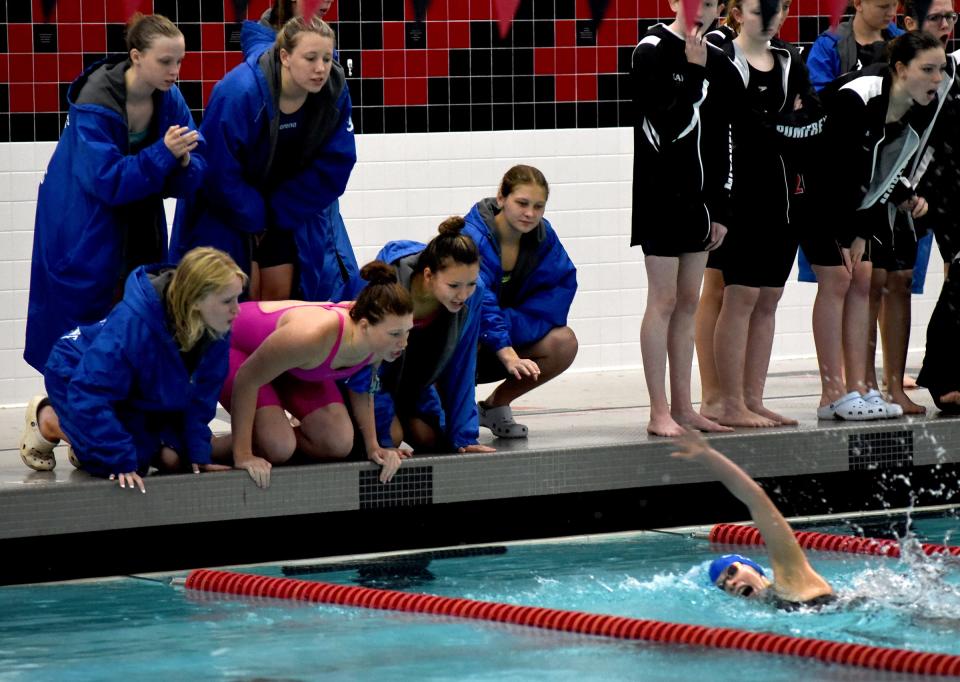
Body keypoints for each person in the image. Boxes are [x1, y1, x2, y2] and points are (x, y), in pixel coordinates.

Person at [24, 13, 205, 373]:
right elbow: (108, 182)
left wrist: (183, 164)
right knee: (84, 328)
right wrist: (164, 154)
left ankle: (121, 414)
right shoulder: (95, 104)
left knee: (139, 316)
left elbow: (195, 169)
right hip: (84, 224)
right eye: (165, 61)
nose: (175, 71)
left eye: (179, 61)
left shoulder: (170, 101)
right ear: (136, 56)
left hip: (139, 219)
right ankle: (53, 413)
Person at [18, 248, 245, 493]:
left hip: (130, 386)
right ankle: (50, 419)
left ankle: (87, 440)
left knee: (175, 460)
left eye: (237, 298)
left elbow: (201, 398)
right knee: (129, 462)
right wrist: (118, 458)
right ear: (197, 300)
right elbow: (89, 391)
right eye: (227, 300)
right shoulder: (134, 325)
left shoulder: (216, 324)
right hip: (74, 371)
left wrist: (199, 455)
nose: (237, 309)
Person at [805, 31, 946, 421]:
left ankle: (857, 389)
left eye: (942, 70)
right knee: (837, 279)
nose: (938, 79)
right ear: (901, 69)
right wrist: (856, 230)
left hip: (848, 194)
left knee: (863, 280)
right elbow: (839, 169)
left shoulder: (913, 106)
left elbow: (883, 167)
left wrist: (903, 193)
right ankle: (831, 394)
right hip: (811, 186)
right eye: (928, 70)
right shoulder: (860, 96)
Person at [170, 15, 358, 304]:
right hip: (225, 209)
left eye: (326, 58)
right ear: (285, 56)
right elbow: (218, 171)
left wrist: (278, 213)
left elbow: (336, 165)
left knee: (286, 303)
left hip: (288, 210)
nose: (321, 69)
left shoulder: (333, 90)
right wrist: (257, 216)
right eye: (310, 58)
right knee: (230, 301)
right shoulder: (240, 91)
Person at [707, 0, 822, 428]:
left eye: (779, 8)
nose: (772, 16)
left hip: (784, 196)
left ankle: (752, 398)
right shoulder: (724, 61)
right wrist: (781, 121)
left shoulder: (790, 60)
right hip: (739, 197)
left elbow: (812, 118)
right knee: (740, 296)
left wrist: (782, 122)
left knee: (769, 298)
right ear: (736, 13)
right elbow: (732, 126)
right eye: (760, 9)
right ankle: (728, 400)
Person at [630, 0, 733, 437]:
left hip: (700, 202)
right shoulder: (650, 49)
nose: (702, 10)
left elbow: (724, 134)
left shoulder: (718, 56)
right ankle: (658, 412)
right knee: (664, 301)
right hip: (659, 198)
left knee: (688, 303)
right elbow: (664, 127)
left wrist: (721, 207)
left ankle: (684, 407)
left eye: (711, 3)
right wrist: (694, 73)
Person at [220, 262, 415, 489]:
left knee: (338, 442)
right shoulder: (314, 335)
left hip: (291, 364)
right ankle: (212, 447)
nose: (403, 343)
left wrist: (374, 446)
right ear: (364, 326)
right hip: (237, 349)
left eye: (407, 331)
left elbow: (362, 389)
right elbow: (247, 379)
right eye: (395, 334)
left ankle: (266, 436)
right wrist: (243, 454)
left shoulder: (380, 343)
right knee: (278, 446)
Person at [346, 218, 497, 455]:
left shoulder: (472, 294)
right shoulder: (388, 286)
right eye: (454, 285)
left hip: (411, 381)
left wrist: (464, 435)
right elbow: (364, 367)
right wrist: (381, 442)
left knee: (435, 439)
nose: (463, 294)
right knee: (391, 438)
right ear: (428, 275)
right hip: (361, 380)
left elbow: (463, 363)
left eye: (470, 284)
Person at [462, 166, 578, 439]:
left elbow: (558, 290)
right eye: (522, 203)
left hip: (499, 339)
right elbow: (479, 300)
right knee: (470, 329)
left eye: (539, 206)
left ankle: (494, 406)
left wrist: (506, 332)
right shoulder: (472, 237)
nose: (530, 213)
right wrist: (502, 344)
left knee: (564, 342)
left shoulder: (543, 238)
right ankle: (458, 407)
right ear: (501, 198)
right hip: (463, 345)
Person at [671, 429, 835, 608]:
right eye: (723, 585)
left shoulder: (792, 577)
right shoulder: (768, 608)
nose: (730, 583)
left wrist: (708, 456)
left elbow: (756, 499)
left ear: (754, 569)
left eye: (732, 571)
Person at [805, 0, 904, 91]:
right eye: (883, 7)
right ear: (858, 4)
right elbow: (818, 97)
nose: (892, 13)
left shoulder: (903, 40)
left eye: (895, 5)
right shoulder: (829, 45)